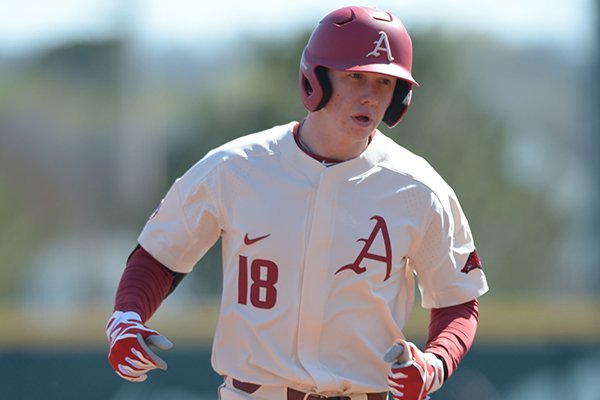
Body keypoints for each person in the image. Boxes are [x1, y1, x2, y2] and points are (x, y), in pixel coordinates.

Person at [106, 5, 488, 400]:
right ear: (316, 78)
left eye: (384, 83)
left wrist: (435, 364)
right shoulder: (236, 168)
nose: (370, 97)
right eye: (355, 76)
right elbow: (160, 254)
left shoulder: (419, 189)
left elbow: (457, 298)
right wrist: (127, 317)